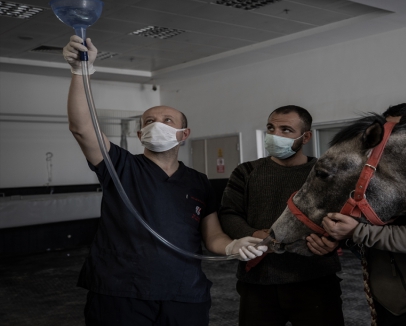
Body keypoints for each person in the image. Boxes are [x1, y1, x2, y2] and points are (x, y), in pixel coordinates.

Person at [63, 35, 266, 326]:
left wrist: (233, 247)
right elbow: (82, 129)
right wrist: (80, 72)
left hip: (183, 292)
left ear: (185, 134)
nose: (156, 124)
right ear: (139, 135)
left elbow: (212, 237)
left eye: (167, 120)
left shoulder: (198, 181)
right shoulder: (121, 166)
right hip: (122, 293)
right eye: (148, 121)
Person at [321, 103, 406, 326]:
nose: (385, 142)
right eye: (384, 134)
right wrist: (342, 237)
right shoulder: (381, 181)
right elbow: (371, 232)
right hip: (385, 302)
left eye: (394, 134)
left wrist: (357, 230)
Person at [218, 105, 345, 326]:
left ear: (305, 137)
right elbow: (229, 214)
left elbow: (344, 218)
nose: (275, 135)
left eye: (286, 130)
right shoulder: (246, 172)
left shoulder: (325, 175)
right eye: (271, 128)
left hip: (315, 278)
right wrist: (256, 235)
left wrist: (333, 242)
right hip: (258, 278)